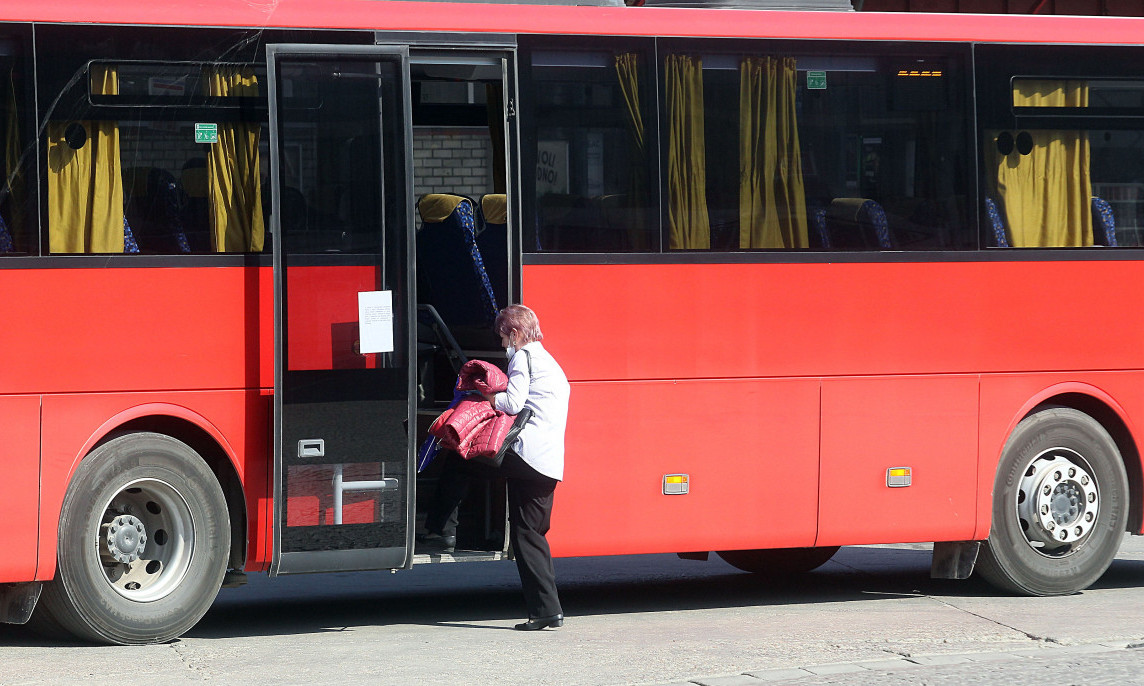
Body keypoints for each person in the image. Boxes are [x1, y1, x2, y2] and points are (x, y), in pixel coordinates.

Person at [486, 304, 571, 631]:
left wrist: (489, 398)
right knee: (533, 535)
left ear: (515, 333)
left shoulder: (523, 357)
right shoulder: (549, 361)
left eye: (503, 335)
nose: (502, 343)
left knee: (465, 462)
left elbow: (513, 403)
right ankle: (549, 609)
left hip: (527, 456)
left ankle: (443, 527)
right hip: (549, 462)